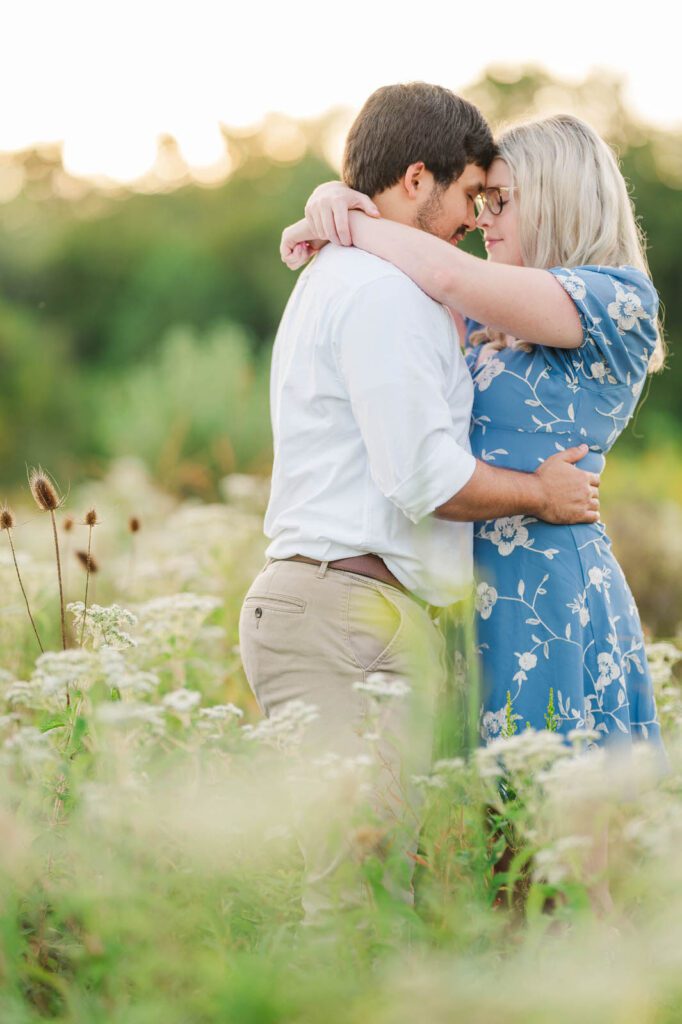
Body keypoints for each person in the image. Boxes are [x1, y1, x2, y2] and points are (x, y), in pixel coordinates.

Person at [281, 111, 667, 916]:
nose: (482, 220)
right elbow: (423, 300)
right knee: (475, 864)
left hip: (547, 598)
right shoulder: (495, 323)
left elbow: (445, 275)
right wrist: (337, 196)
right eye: (479, 200)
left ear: (559, 198)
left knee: (559, 857)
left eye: (501, 200)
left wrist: (352, 219)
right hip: (460, 603)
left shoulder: (615, 303)